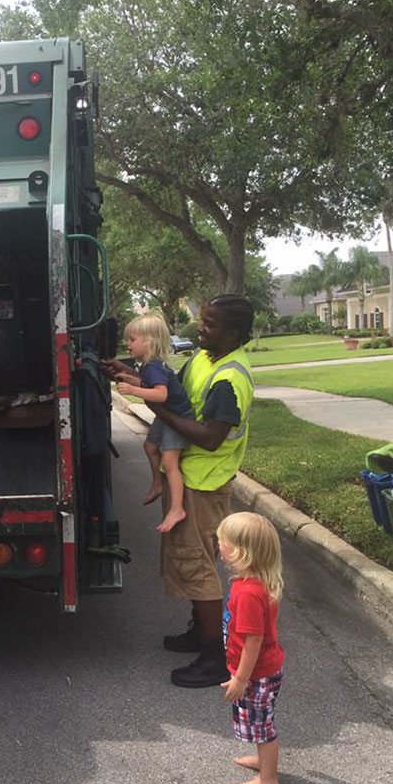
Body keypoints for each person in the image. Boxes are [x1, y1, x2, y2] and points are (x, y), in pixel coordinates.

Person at [144, 294, 255, 688]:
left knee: (199, 566)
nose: (200, 328)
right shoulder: (204, 359)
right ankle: (200, 632)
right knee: (191, 563)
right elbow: (173, 389)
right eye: (202, 320)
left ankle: (216, 656)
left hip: (204, 484)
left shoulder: (229, 379)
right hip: (190, 479)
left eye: (208, 323)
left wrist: (157, 411)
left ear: (234, 333)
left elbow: (210, 438)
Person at [218, 511, 284, 784]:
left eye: (223, 540)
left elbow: (253, 641)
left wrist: (241, 679)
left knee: (262, 725)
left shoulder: (247, 594)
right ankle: (263, 759)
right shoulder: (252, 583)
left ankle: (268, 782)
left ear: (239, 551)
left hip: (256, 674)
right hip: (258, 671)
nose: (218, 543)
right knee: (259, 721)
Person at [114, 314, 194, 532]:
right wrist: (130, 379)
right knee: (149, 446)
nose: (126, 344)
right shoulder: (149, 366)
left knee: (170, 463)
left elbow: (161, 394)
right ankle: (158, 483)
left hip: (177, 418)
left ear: (149, 342)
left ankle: (177, 509)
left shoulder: (154, 367)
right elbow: (147, 383)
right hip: (167, 415)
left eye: (131, 339)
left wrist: (132, 390)